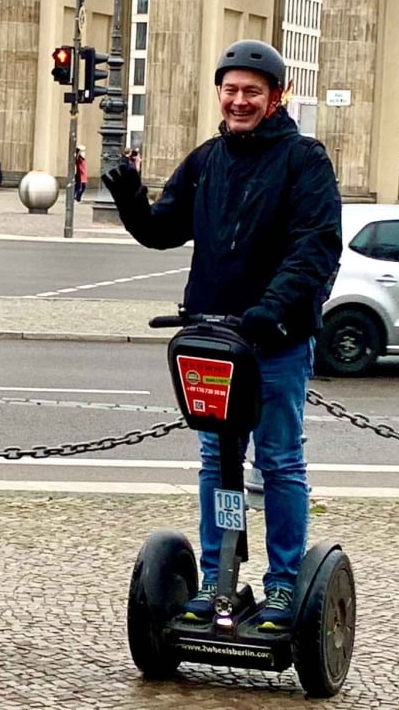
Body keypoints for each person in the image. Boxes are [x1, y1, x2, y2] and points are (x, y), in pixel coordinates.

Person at [102, 39, 341, 631]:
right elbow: (163, 230)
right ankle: (217, 577)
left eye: (251, 92)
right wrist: (130, 197)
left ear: (276, 96)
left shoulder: (303, 160)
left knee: (279, 460)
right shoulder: (208, 159)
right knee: (216, 459)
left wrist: (269, 310)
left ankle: (283, 584)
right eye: (230, 90)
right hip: (213, 340)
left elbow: (314, 248)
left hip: (275, 339)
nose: (239, 101)